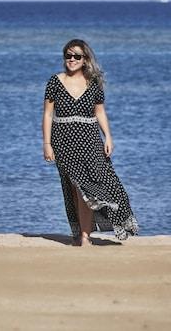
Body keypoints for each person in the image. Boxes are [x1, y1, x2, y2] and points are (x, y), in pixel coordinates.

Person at [42, 39, 140, 246]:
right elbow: (48, 114)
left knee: (101, 184)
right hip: (64, 141)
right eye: (68, 55)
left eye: (77, 56)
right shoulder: (54, 81)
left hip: (90, 140)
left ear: (85, 59)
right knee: (78, 187)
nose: (72, 59)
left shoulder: (93, 82)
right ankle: (84, 236)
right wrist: (47, 143)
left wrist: (109, 137)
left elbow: (100, 112)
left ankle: (91, 232)